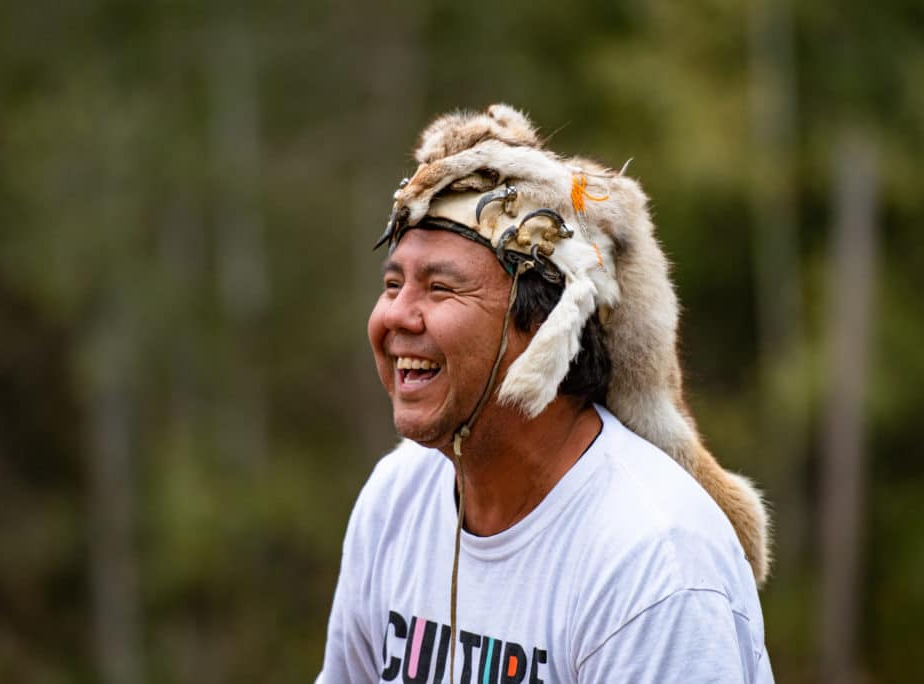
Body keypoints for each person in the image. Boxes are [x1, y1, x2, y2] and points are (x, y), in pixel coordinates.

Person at [317, 104, 774, 683]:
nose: (395, 316)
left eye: (440, 288)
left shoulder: (654, 562)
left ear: (545, 325)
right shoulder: (396, 499)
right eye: (392, 284)